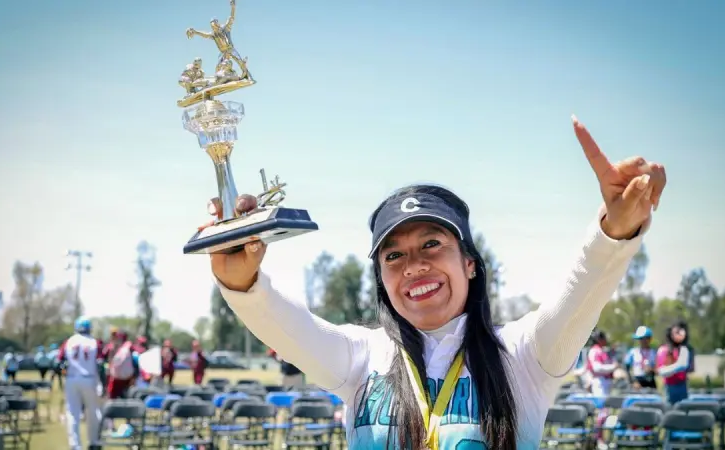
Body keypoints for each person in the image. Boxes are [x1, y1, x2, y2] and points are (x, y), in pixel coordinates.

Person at [204, 118, 666, 449]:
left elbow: (582, 292)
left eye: (432, 244)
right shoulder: (360, 357)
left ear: (469, 263)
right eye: (394, 255)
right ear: (382, 281)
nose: (414, 266)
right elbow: (283, 324)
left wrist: (614, 231)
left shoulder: (526, 355)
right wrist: (241, 277)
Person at [58, 316, 102, 450]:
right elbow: (100, 364)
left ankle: (75, 445)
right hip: (89, 378)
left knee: (72, 412)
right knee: (93, 412)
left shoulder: (69, 342)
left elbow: (59, 362)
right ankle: (94, 442)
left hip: (72, 378)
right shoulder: (95, 342)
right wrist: (103, 383)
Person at [657, 323, 691, 404]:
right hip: (669, 387)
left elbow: (686, 366)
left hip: (683, 386)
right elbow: (661, 371)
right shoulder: (663, 350)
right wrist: (678, 366)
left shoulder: (684, 349)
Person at [106, 331, 137, 399]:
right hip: (124, 378)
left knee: (115, 397)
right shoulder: (127, 347)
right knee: (121, 397)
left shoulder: (125, 347)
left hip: (121, 378)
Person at [585, 330, 617, 396]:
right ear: (599, 339)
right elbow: (597, 368)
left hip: (605, 381)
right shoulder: (595, 350)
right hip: (600, 382)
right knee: (601, 405)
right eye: (603, 338)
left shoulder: (601, 350)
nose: (605, 340)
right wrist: (613, 367)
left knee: (607, 405)